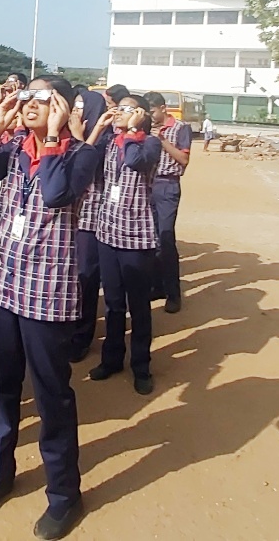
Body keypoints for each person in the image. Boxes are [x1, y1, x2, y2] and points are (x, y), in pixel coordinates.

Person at [0, 76, 97, 541]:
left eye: (41, 98)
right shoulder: (15, 149)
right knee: (3, 386)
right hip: (1, 287)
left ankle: (64, 494)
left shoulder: (81, 154)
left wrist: (58, 136)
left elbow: (57, 195)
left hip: (46, 295)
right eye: (26, 98)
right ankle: (0, 474)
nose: (30, 106)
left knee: (51, 396)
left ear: (60, 104)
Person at [86, 95, 162, 395]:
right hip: (107, 231)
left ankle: (141, 366)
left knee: (138, 305)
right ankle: (112, 358)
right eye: (118, 110)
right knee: (114, 303)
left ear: (141, 115)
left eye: (128, 110)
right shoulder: (109, 142)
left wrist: (131, 131)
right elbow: (86, 159)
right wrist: (102, 127)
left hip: (136, 236)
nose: (119, 114)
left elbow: (135, 161)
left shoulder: (149, 144)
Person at [69, 87, 108, 362]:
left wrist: (81, 139)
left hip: (91, 219)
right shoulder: (65, 137)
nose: (76, 112)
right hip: (66, 219)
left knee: (86, 277)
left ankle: (82, 335)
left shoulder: (106, 141)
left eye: (82, 107)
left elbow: (87, 164)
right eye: (75, 105)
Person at [145, 91, 192, 314]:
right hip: (146, 185)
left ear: (163, 108)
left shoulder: (180, 128)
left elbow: (183, 159)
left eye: (152, 111)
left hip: (167, 185)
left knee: (165, 239)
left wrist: (162, 141)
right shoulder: (145, 126)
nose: (150, 115)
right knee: (150, 240)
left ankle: (173, 293)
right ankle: (157, 286)